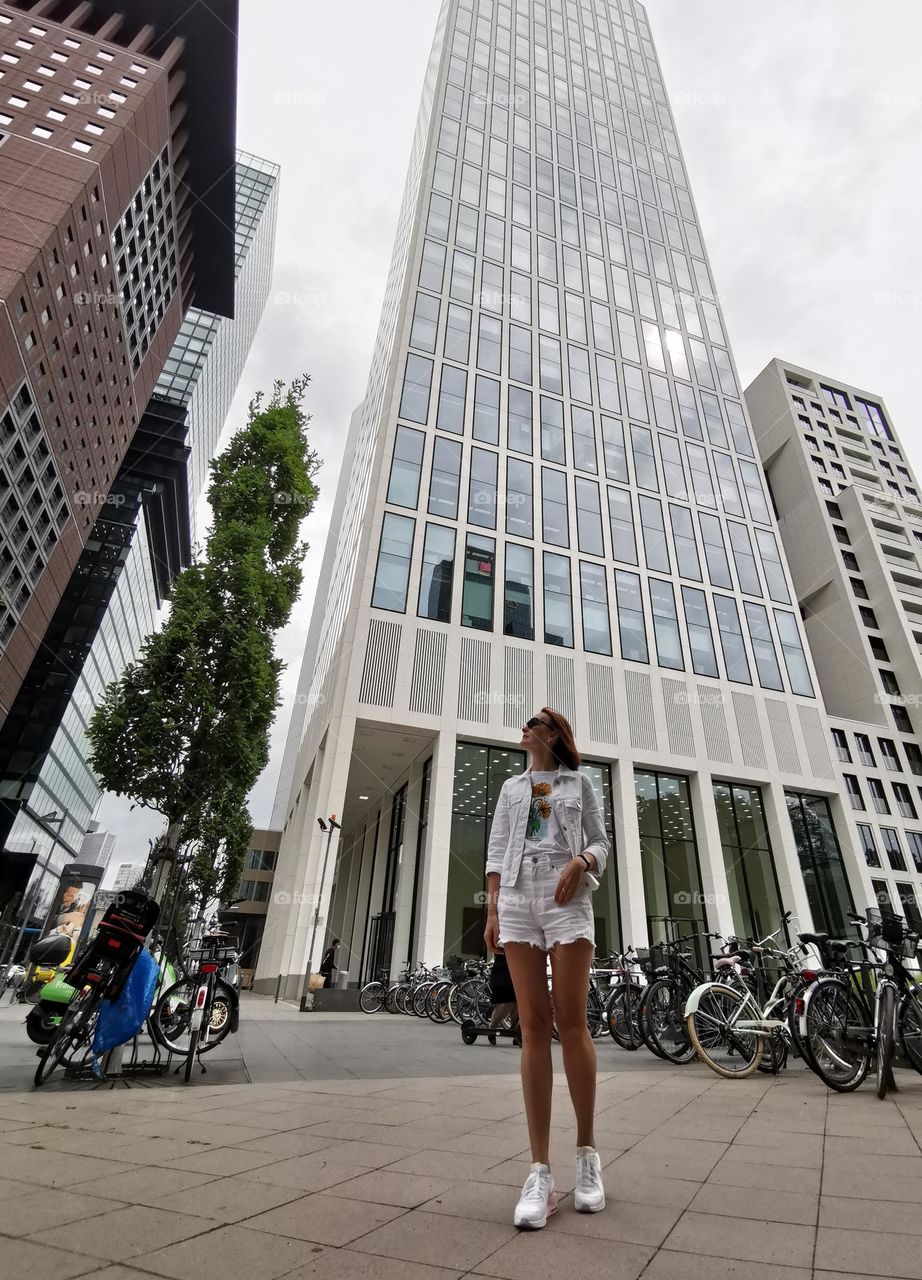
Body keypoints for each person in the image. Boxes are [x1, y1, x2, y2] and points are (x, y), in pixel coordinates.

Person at [484, 708, 609, 1230]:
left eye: (534, 721)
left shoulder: (580, 782)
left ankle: (587, 1155)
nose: (525, 726)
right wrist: (492, 908)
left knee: (571, 1021)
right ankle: (540, 1171)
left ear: (554, 732)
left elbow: (603, 842)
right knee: (532, 1028)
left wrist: (582, 861)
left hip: (565, 896)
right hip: (516, 897)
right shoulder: (512, 788)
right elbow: (495, 850)